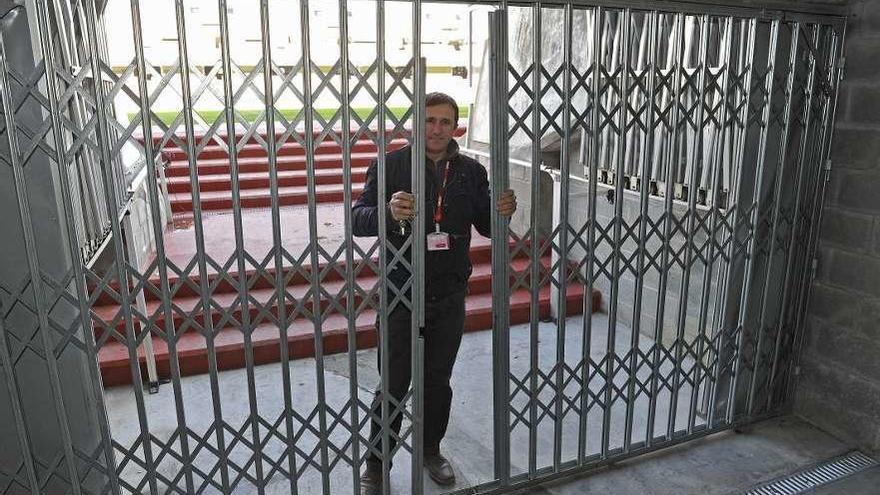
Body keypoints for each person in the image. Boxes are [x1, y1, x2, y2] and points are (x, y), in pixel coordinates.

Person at [352, 92, 516, 494]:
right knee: (393, 382)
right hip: (401, 292)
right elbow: (358, 219)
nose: (437, 128)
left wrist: (502, 212)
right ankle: (376, 462)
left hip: (449, 293)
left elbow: (488, 228)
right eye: (429, 120)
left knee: (438, 381)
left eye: (445, 121)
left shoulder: (471, 172)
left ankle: (431, 450)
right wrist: (387, 213)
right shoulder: (388, 166)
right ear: (414, 124)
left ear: (455, 126)